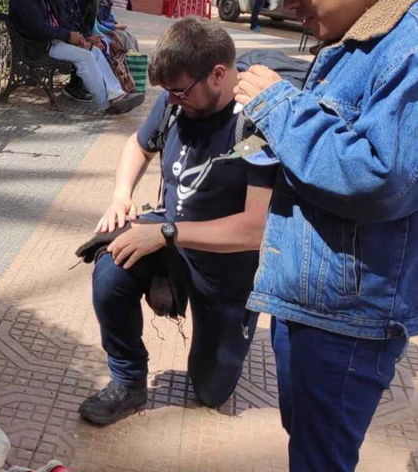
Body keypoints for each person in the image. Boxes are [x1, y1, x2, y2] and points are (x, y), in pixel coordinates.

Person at [234, 0, 418, 470]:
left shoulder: (408, 45)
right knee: (308, 438)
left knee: (321, 458)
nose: (288, 7)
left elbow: (381, 181)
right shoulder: (357, 34)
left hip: (348, 318)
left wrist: (280, 107)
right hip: (309, 296)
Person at [78, 17, 276, 425]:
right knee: (109, 270)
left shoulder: (255, 125)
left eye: (180, 91)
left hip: (226, 268)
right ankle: (128, 380)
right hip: (170, 238)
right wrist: (121, 195)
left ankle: (233, 323)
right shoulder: (175, 102)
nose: (171, 100)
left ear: (218, 75)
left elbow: (255, 228)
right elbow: (138, 145)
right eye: (167, 92)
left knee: (210, 392)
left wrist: (166, 233)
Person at [8, 0, 144, 113]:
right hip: (40, 47)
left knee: (94, 51)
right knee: (85, 57)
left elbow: (60, 20)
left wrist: (80, 37)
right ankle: (105, 105)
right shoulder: (24, 2)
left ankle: (116, 94)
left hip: (54, 41)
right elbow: (38, 28)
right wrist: (67, 36)